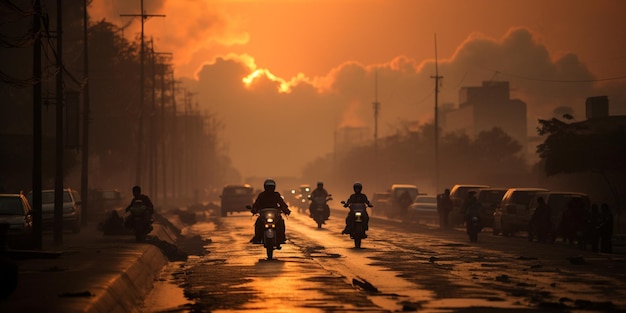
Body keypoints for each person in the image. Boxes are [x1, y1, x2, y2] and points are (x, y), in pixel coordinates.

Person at [250, 178, 291, 249]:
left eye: (271, 187)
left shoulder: (276, 195)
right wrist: (254, 209)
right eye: (268, 187)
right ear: (265, 187)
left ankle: (281, 237)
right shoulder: (262, 195)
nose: (270, 189)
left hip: (275, 215)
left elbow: (282, 203)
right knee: (258, 223)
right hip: (264, 215)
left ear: (274, 187)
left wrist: (286, 209)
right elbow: (256, 204)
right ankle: (257, 237)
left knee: (281, 222)